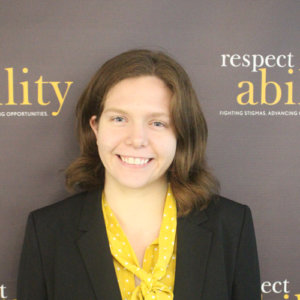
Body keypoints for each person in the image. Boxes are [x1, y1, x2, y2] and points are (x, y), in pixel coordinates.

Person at [17, 49, 261, 300]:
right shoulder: (47, 231)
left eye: (157, 123)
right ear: (95, 127)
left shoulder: (231, 225)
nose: (137, 140)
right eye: (119, 118)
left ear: (181, 133)